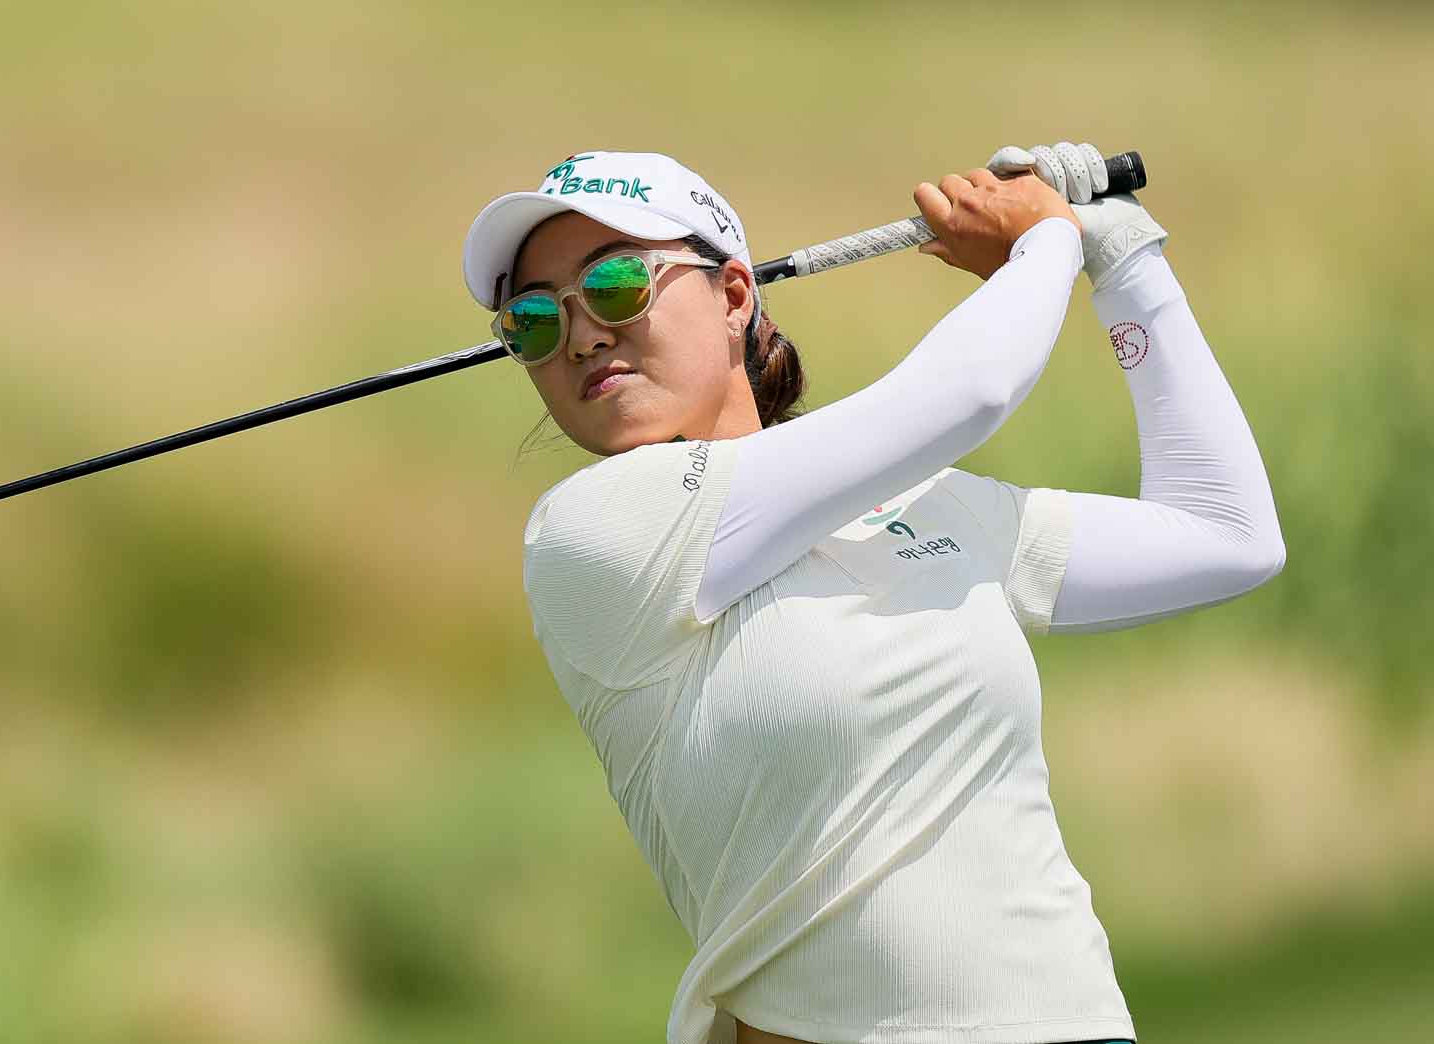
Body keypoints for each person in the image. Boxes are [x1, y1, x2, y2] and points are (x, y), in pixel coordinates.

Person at [460, 144, 1285, 1044]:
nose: (580, 335)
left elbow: (1228, 536)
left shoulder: (927, 508)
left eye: (615, 284)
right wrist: (1045, 244)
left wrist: (1127, 264)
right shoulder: (595, 531)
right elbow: (967, 393)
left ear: (735, 295)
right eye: (534, 321)